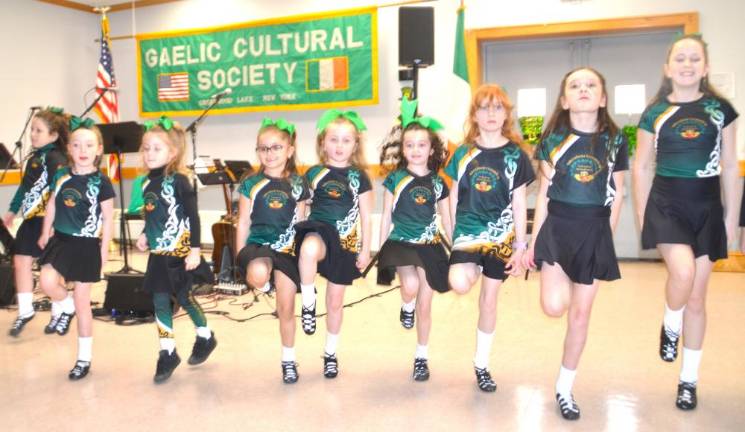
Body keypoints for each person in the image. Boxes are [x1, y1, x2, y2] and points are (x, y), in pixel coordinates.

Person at [632, 34, 740, 411]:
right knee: (681, 275)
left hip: (707, 206)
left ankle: (688, 380)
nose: (688, 64)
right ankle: (670, 319)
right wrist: (644, 214)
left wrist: (729, 219)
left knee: (697, 297)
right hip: (666, 204)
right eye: (680, 58)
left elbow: (729, 165)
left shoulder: (720, 110)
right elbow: (641, 165)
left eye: (695, 58)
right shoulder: (654, 112)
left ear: (705, 67)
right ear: (668, 68)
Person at [524, 67, 628, 420]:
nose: (583, 89)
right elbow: (545, 196)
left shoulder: (615, 141)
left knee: (580, 315)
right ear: (564, 100)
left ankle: (565, 388)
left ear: (602, 98)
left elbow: (619, 193)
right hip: (558, 228)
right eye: (574, 85)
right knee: (554, 306)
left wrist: (606, 241)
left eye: (591, 85)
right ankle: (560, 277)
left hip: (595, 231)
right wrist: (534, 243)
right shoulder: (553, 141)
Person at [445, 84, 534, 392]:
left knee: (489, 300)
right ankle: (474, 264)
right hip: (468, 233)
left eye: (498, 107)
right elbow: (452, 197)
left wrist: (521, 246)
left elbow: (520, 202)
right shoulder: (463, 153)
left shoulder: (515, 155)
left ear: (506, 113)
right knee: (458, 282)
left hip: (501, 238)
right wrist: (453, 236)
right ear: (475, 115)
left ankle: (481, 364)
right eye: (484, 107)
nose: (491, 114)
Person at [135, 116, 217, 383]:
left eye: (156, 149)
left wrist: (195, 249)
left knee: (184, 298)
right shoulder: (146, 183)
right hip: (159, 255)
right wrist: (145, 234)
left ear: (172, 152)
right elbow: (152, 215)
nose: (149, 154)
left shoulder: (180, 181)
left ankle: (205, 336)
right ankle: (167, 352)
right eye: (146, 148)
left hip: (180, 253)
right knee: (159, 300)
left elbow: (193, 216)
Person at [293, 109, 373, 378]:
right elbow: (301, 208)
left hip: (345, 243)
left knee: (336, 302)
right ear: (322, 143)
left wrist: (364, 250)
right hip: (319, 232)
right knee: (308, 249)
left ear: (355, 145)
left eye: (346, 140)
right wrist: (295, 234)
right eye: (334, 140)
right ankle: (307, 301)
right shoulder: (313, 173)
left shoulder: (359, 177)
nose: (339, 146)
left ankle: (330, 353)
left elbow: (366, 216)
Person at [377, 98, 452, 381]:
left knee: (426, 302)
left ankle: (421, 356)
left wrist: (458, 247)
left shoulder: (437, 182)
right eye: (409, 145)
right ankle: (404, 305)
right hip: (401, 243)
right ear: (402, 149)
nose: (415, 150)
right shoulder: (395, 179)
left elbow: (447, 218)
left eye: (421, 145)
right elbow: (386, 215)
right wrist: (379, 246)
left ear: (431, 149)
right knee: (409, 286)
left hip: (430, 244)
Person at [37, 117, 115, 380]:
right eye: (77, 145)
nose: (83, 150)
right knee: (47, 282)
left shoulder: (101, 182)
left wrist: (103, 251)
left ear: (98, 150)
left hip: (86, 245)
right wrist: (45, 230)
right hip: (61, 240)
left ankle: (83, 357)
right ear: (69, 149)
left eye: (89, 145)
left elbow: (107, 218)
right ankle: (65, 305)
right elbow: (52, 206)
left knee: (84, 301)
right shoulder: (60, 175)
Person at [235, 118, 310, 384]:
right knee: (256, 274)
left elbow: (302, 221)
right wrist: (239, 256)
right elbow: (243, 221)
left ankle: (288, 360)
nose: (270, 153)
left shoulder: (299, 183)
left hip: (287, 249)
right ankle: (266, 285)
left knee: (286, 309)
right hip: (259, 244)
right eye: (263, 148)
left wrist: (304, 260)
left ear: (289, 150)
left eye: (276, 147)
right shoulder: (250, 183)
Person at [3, 107, 70, 337]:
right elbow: (24, 188)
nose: (32, 134)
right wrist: (12, 210)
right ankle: (24, 310)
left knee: (50, 271)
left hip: (49, 220)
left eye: (38, 130)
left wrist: (52, 225)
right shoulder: (34, 157)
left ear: (53, 135)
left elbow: (58, 191)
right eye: (32, 129)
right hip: (31, 220)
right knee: (20, 260)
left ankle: (62, 309)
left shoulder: (56, 159)